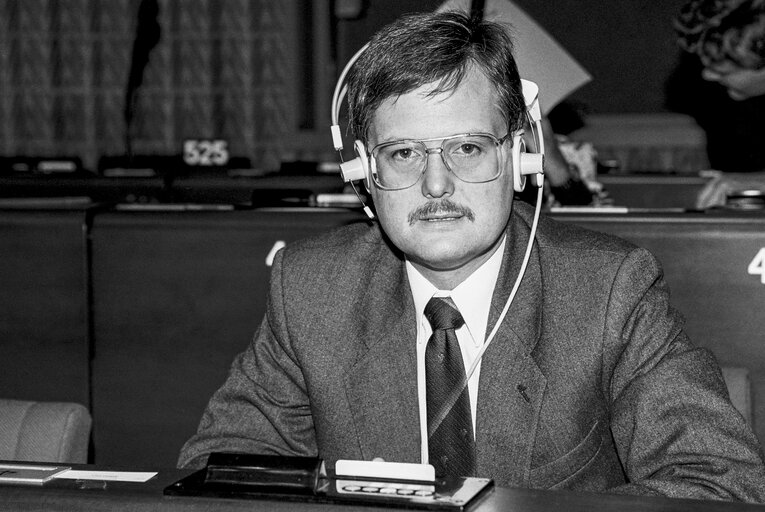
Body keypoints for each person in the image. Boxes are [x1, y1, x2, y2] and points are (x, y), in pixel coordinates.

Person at [179, 11, 765, 501]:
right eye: (404, 151)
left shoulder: (609, 288)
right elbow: (219, 472)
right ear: (363, 173)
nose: (437, 184)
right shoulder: (312, 288)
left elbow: (717, 483)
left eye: (467, 147)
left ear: (518, 159)